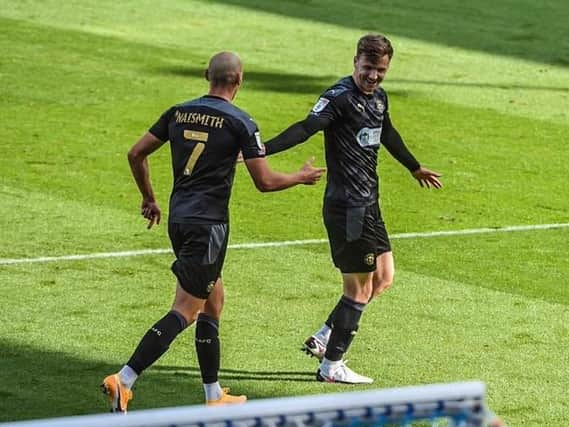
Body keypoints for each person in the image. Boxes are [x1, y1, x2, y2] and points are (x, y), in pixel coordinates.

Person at [101, 51, 325, 412]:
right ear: (239, 80)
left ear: (208, 75)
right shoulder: (241, 122)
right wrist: (299, 177)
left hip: (179, 220)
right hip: (209, 228)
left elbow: (135, 154)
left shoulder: (178, 112)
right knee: (186, 310)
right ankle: (124, 380)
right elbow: (265, 183)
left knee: (213, 302)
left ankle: (213, 395)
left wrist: (149, 198)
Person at [263, 34, 442, 384]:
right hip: (348, 207)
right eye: (368, 68)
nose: (373, 76)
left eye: (380, 70)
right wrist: (262, 150)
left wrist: (413, 166)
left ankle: (326, 335)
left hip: (369, 203)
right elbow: (305, 128)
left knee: (384, 278)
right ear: (354, 62)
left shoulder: (378, 97)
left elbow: (386, 132)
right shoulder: (338, 98)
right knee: (358, 290)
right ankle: (332, 366)